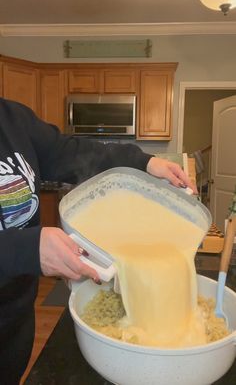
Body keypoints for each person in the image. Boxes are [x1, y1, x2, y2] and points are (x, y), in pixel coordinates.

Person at [0, 97, 196, 384]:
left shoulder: (12, 118)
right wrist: (24, 249)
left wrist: (145, 163)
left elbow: (71, 152)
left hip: (13, 317)